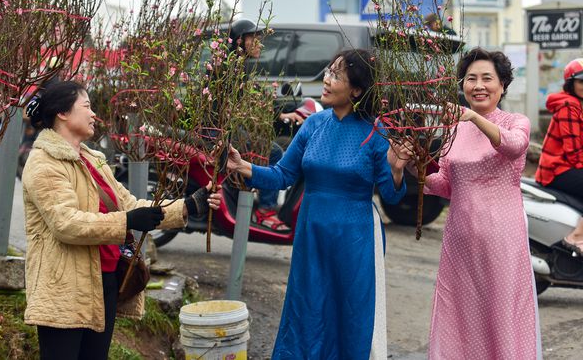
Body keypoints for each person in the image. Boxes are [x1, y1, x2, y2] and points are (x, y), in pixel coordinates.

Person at [226, 49, 410, 358]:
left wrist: (397, 169)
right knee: (307, 308)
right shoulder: (314, 125)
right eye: (327, 71)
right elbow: (282, 174)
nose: (325, 79)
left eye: (335, 75)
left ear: (357, 90)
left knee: (350, 315)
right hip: (312, 235)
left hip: (356, 238)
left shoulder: (377, 133)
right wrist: (245, 168)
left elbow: (391, 196)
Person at [21, 81, 221, 359]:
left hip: (104, 280)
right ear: (63, 113)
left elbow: (129, 204)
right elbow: (67, 224)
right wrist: (126, 221)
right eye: (87, 106)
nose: (94, 115)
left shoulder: (91, 159)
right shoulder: (44, 163)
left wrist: (187, 206)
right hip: (65, 288)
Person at [418, 48, 541, 359]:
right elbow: (446, 185)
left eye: (487, 78)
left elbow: (513, 147)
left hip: (501, 238)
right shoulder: (454, 129)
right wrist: (416, 167)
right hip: (459, 238)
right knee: (457, 312)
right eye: (471, 79)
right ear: (463, 85)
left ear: (502, 85)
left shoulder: (516, 121)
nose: (478, 85)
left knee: (499, 313)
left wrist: (473, 117)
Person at [229, 18, 303, 232]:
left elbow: (253, 99)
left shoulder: (237, 67)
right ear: (241, 41)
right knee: (274, 152)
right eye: (255, 39)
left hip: (228, 126)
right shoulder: (230, 68)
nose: (260, 44)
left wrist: (279, 115)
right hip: (221, 129)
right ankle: (265, 209)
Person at [536, 58, 583, 255]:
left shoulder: (579, 105)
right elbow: (574, 152)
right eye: (581, 81)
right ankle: (576, 237)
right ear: (571, 84)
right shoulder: (568, 106)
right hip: (556, 169)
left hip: (568, 166)